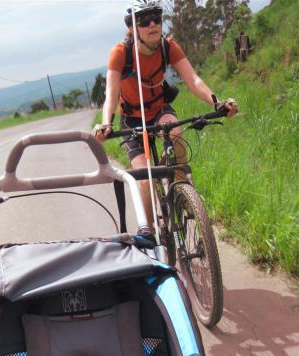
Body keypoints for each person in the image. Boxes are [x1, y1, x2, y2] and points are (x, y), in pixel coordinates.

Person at [93, 0, 237, 229]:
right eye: (144, 20)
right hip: (132, 119)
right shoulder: (120, 53)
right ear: (132, 27)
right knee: (145, 179)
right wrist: (105, 124)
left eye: (156, 18)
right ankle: (149, 231)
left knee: (176, 131)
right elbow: (111, 94)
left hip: (159, 109)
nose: (152, 24)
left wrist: (217, 102)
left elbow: (193, 80)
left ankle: (182, 191)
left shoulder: (168, 46)